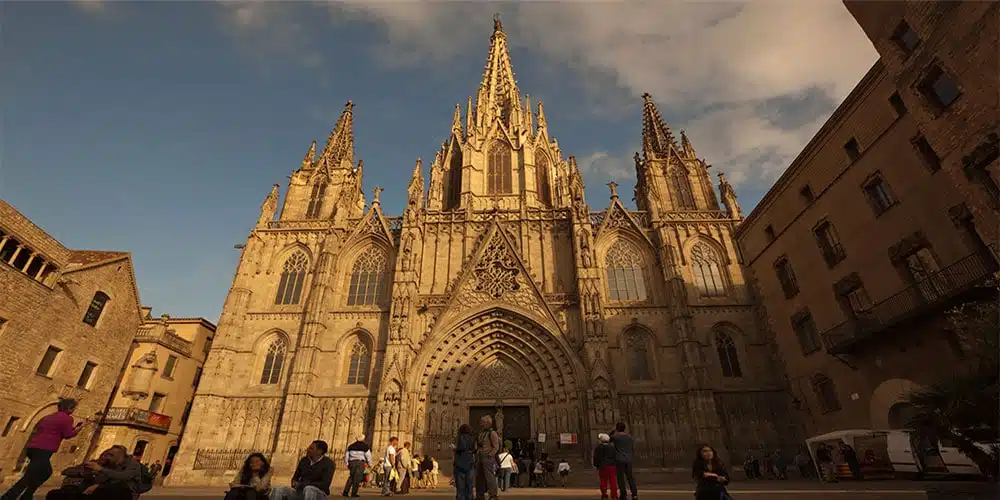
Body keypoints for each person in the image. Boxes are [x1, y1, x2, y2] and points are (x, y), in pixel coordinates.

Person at [3, 398, 85, 500]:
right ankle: (9, 497)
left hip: (33, 448)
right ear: (69, 408)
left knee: (43, 472)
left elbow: (53, 430)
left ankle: (27, 495)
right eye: (74, 408)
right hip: (44, 450)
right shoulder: (68, 418)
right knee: (33, 476)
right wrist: (78, 429)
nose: (74, 410)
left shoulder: (47, 417)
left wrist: (73, 428)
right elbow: (67, 435)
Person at [45, 445, 141, 500]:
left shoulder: (129, 465)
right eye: (104, 454)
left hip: (113, 493)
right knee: (54, 494)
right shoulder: (95, 463)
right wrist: (83, 473)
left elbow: (123, 477)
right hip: (85, 490)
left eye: (110, 455)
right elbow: (66, 471)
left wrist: (99, 475)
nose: (105, 457)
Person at [474, 415, 500, 500]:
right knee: (479, 477)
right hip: (480, 457)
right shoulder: (481, 433)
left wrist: (490, 454)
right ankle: (480, 495)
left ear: (488, 423)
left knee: (490, 477)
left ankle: (493, 495)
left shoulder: (492, 433)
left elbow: (496, 446)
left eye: (482, 422)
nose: (480, 424)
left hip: (488, 457)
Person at [610, 422, 637, 500]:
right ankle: (634, 495)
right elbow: (632, 448)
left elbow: (608, 438)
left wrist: (613, 431)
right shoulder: (629, 437)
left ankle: (623, 495)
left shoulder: (616, 437)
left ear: (617, 428)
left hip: (619, 460)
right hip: (628, 460)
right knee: (630, 478)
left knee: (621, 478)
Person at [453, 424, 475, 500]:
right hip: (470, 463)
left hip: (460, 463)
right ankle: (469, 497)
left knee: (460, 485)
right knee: (469, 484)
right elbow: (473, 449)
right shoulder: (472, 438)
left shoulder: (461, 437)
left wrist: (455, 448)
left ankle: (460, 498)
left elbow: (462, 447)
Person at [593, 433, 618, 500]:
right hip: (612, 466)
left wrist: (596, 465)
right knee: (613, 481)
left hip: (603, 466)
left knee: (603, 481)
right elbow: (615, 456)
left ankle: (604, 494)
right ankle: (614, 495)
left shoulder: (598, 447)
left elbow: (596, 457)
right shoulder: (612, 447)